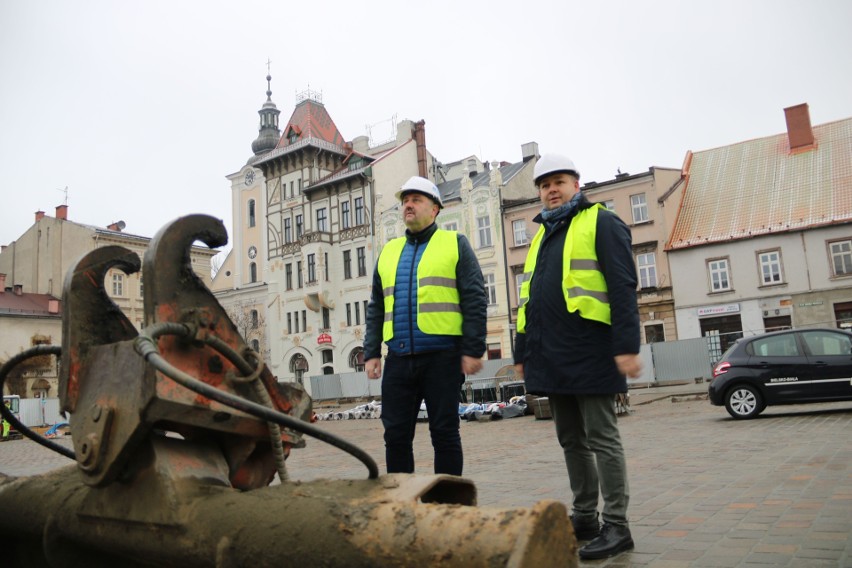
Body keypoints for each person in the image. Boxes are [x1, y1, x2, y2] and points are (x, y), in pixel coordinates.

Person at [514, 154, 642, 560]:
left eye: (559, 182)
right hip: (551, 353)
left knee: (602, 437)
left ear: (576, 184)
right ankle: (585, 516)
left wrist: (625, 345)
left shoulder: (601, 221)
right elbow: (528, 299)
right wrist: (522, 351)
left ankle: (617, 525)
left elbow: (623, 286)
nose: (551, 190)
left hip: (591, 349)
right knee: (570, 438)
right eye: (544, 184)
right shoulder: (540, 237)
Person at [364, 175, 486, 476]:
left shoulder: (455, 244)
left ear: (435, 209)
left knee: (444, 433)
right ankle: (402, 502)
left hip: (443, 358)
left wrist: (472, 349)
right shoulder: (388, 252)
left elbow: (474, 298)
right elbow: (376, 306)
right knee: (395, 436)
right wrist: (371, 352)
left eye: (416, 200)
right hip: (399, 360)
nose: (408, 205)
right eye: (405, 200)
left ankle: (448, 503)